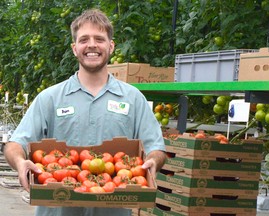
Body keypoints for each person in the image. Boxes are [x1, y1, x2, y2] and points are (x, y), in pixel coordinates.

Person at [4, 8, 166, 216]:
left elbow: (157, 148)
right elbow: (14, 144)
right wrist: (20, 162)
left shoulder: (133, 99)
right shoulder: (50, 98)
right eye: (84, 39)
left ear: (111, 46)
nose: (91, 45)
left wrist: (153, 161)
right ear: (74, 48)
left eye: (99, 39)